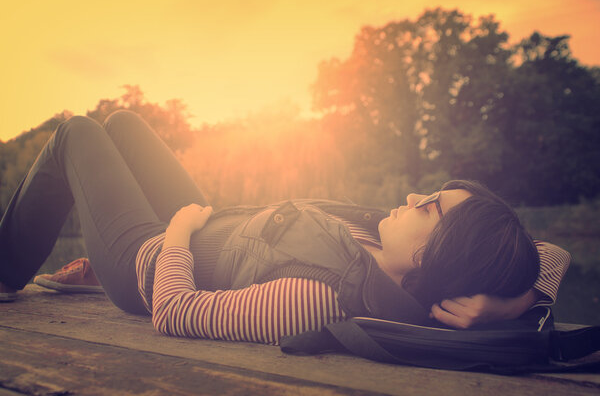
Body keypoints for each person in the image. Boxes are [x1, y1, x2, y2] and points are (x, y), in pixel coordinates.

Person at [0, 110, 570, 344]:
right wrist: (513, 302)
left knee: (77, 132)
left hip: (152, 263)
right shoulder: (390, 250)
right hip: (222, 229)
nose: (412, 196)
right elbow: (549, 253)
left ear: (434, 257)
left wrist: (176, 234)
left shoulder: (317, 299)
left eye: (429, 209)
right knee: (123, 122)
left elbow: (175, 313)